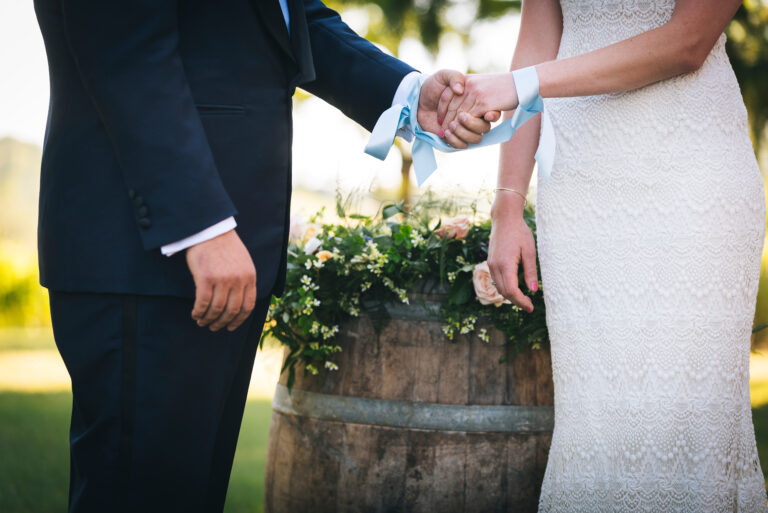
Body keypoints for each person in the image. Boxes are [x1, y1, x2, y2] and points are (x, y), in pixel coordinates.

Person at [32, 1, 489, 512]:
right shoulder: (195, 233)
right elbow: (123, 45)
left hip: (226, 251)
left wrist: (409, 94)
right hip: (151, 249)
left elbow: (295, 20)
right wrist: (199, 225)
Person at [436, 0, 768, 510]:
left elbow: (688, 43)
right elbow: (536, 41)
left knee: (687, 420)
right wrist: (509, 203)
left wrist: (523, 83)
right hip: (579, 189)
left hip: (690, 183)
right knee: (596, 424)